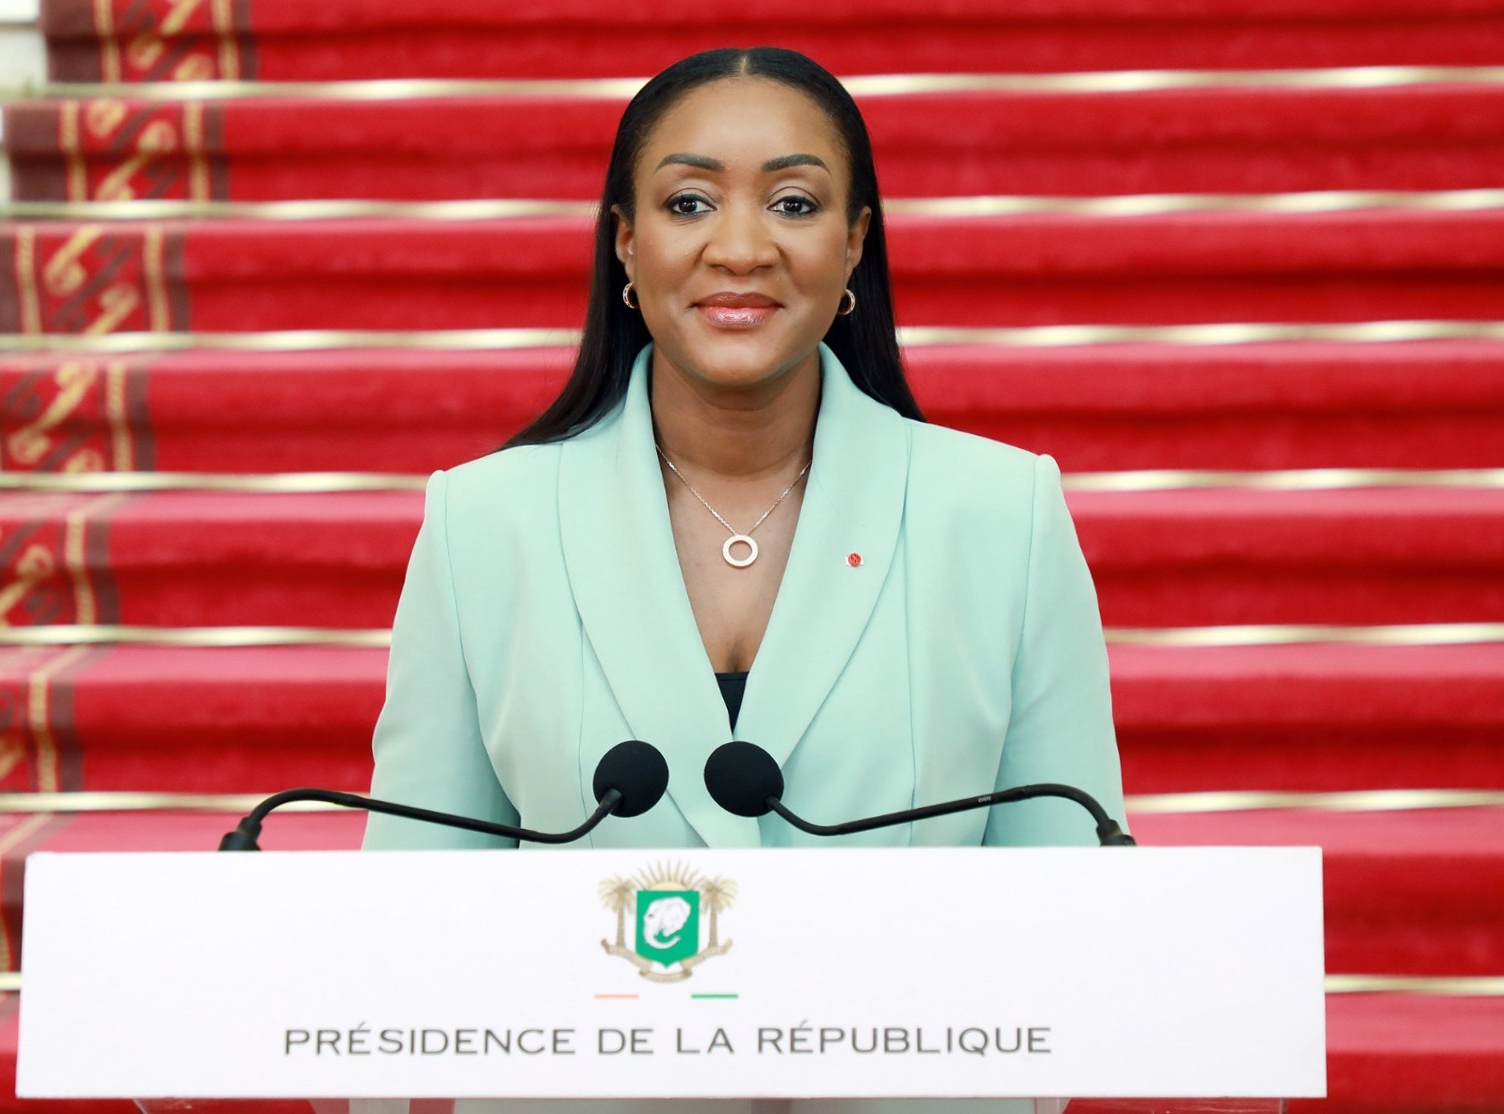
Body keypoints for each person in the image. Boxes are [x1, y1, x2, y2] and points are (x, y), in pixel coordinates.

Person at [362, 46, 1125, 855]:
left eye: (793, 204)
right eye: (688, 203)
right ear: (626, 241)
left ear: (854, 241)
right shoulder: (482, 523)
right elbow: (418, 896)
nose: (739, 249)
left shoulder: (1005, 515)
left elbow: (1073, 886)